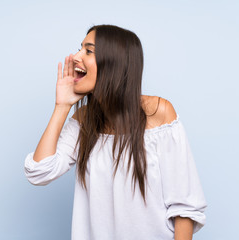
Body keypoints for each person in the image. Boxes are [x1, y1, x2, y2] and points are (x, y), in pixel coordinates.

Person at [24, 24, 207, 240]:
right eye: (80, 48)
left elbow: (184, 206)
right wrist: (62, 106)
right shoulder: (83, 121)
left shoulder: (159, 113)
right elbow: (39, 172)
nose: (75, 56)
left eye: (88, 51)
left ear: (114, 62)